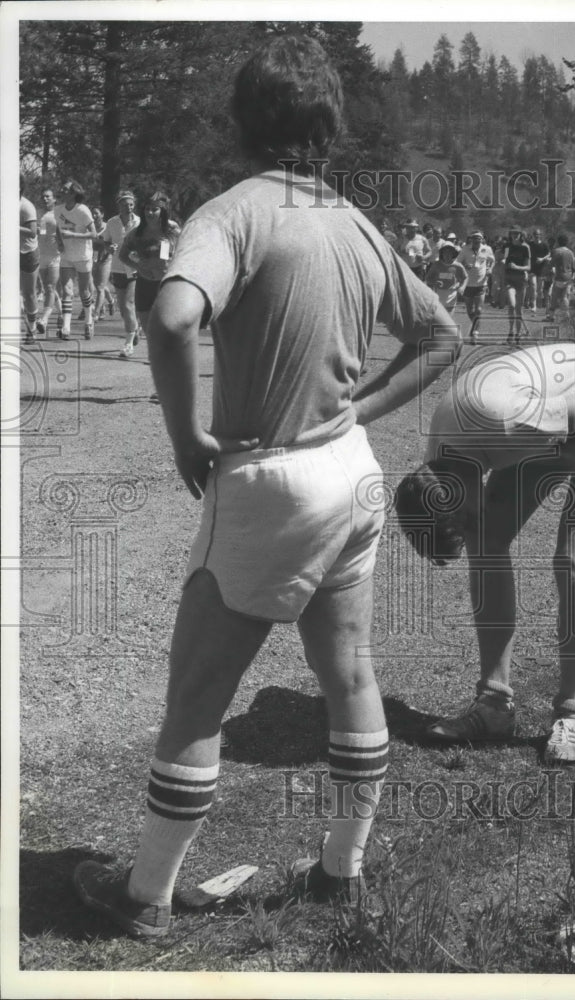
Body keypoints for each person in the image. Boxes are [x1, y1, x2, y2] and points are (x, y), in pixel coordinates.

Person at [73, 34, 460, 938]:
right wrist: (359, 411)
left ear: (242, 120)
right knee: (351, 672)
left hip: (269, 476)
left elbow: (171, 319)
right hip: (349, 475)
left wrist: (186, 436)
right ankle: (340, 872)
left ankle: (146, 898)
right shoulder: (356, 223)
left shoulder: (235, 211)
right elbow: (441, 335)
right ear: (329, 124)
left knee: (197, 694)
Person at [395, 341, 575, 763]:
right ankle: (493, 705)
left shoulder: (507, 424)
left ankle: (571, 712)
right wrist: (552, 452)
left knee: (572, 559)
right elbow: (472, 516)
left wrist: (569, 461)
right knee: (487, 543)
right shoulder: (438, 460)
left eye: (467, 517)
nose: (474, 520)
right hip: (543, 420)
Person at [118, 191, 181, 358]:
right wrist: (138, 266)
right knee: (147, 326)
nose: (150, 213)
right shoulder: (137, 233)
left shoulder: (172, 229)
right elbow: (122, 255)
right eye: (147, 209)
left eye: (155, 209)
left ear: (163, 210)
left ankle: (164, 355)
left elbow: (186, 250)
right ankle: (159, 351)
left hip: (167, 283)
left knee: (166, 322)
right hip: (145, 283)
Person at [100, 191, 141, 356]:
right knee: (123, 310)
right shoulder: (112, 222)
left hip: (135, 268)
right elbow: (106, 241)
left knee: (128, 304)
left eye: (131, 204)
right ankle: (134, 328)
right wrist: (109, 248)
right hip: (117, 268)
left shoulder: (140, 222)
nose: (129, 207)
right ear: (119, 205)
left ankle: (128, 344)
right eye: (125, 204)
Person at [55, 179, 97, 341]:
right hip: (66, 255)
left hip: (83, 256)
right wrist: (59, 242)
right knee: (67, 291)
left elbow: (94, 234)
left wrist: (73, 235)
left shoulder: (83, 210)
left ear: (73, 193)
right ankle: (66, 327)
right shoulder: (57, 209)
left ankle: (89, 320)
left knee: (84, 291)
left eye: (65, 188)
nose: (61, 189)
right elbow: (58, 229)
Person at [456, 230, 494, 345]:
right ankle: (475, 324)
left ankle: (475, 332)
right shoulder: (465, 249)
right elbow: (457, 262)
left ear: (482, 239)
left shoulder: (487, 249)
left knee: (478, 310)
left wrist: (490, 268)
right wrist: (464, 265)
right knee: (469, 310)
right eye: (475, 238)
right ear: (471, 240)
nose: (477, 240)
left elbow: (493, 260)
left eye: (479, 238)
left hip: (481, 283)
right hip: (468, 283)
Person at [36, 186, 64, 338]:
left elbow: (63, 232)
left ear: (54, 199)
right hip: (42, 255)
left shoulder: (59, 214)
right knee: (49, 290)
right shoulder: (39, 214)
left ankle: (44, 320)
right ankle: (61, 313)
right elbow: (41, 232)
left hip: (55, 256)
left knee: (49, 286)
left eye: (48, 196)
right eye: (43, 196)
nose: (45, 199)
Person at [19, 174, 40, 344]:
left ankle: (32, 330)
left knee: (29, 294)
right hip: (9, 252)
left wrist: (11, 224)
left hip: (27, 253)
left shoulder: (26, 207)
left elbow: (33, 231)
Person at [503, 228, 530, 346]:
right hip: (509, 280)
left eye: (517, 233)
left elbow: (528, 267)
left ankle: (518, 334)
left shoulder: (525, 247)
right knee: (512, 305)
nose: (514, 235)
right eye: (512, 233)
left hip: (521, 280)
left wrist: (517, 267)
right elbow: (504, 261)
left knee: (519, 309)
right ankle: (511, 331)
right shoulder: (508, 247)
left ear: (521, 234)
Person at [425, 241, 468, 314]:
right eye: (445, 252)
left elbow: (465, 277)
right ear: (442, 253)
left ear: (453, 254)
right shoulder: (436, 265)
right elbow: (428, 279)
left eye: (450, 252)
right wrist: (434, 283)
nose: (447, 255)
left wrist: (462, 288)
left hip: (451, 295)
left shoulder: (457, 265)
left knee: (447, 321)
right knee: (439, 321)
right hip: (438, 295)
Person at [90, 206, 116, 321]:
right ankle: (111, 301)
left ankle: (96, 313)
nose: (94, 216)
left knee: (100, 287)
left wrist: (97, 239)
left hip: (106, 259)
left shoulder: (107, 227)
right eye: (93, 214)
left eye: (96, 213)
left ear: (102, 214)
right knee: (99, 285)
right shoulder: (90, 227)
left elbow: (112, 242)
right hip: (94, 259)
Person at [546, 234, 575, 323]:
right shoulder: (571, 252)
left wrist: (547, 266)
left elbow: (551, 264)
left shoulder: (556, 251)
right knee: (564, 297)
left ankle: (551, 316)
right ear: (567, 242)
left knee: (554, 297)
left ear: (558, 242)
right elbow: (574, 267)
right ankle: (567, 315)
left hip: (559, 277)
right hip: (569, 277)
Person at [526, 228, 550, 314]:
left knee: (539, 290)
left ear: (540, 235)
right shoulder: (530, 244)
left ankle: (539, 301)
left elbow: (549, 254)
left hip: (541, 269)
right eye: (535, 234)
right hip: (532, 269)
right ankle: (534, 305)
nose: (536, 236)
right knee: (533, 286)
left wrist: (542, 259)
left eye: (538, 234)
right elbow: (526, 254)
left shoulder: (544, 245)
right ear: (533, 235)